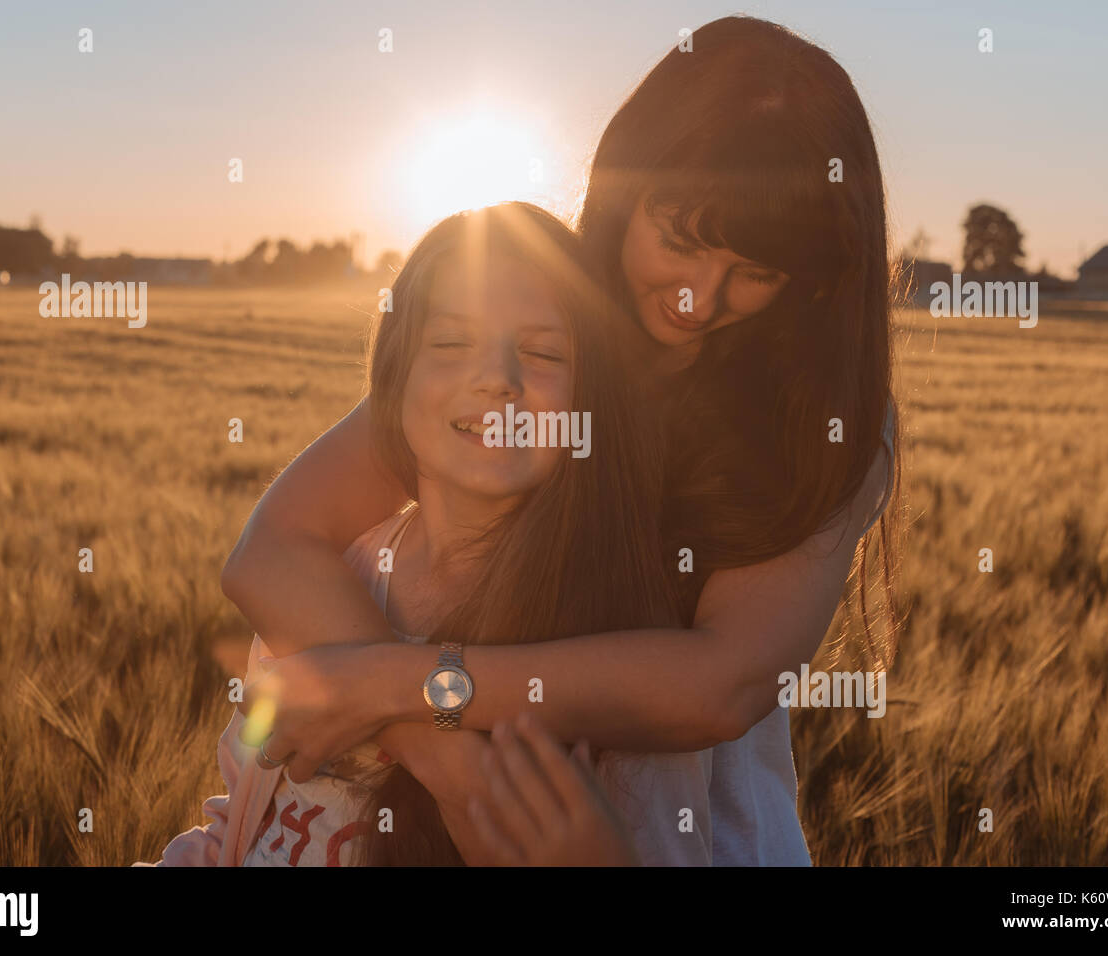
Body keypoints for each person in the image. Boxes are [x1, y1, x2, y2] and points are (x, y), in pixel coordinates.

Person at [223, 15, 901, 866]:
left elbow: (722, 684)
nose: (701, 297)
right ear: (627, 189)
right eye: (680, 239)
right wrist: (451, 765)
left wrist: (394, 683)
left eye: (756, 272)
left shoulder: (826, 417)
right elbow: (273, 547)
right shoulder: (537, 317)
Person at [145, 202, 711, 866]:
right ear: (395, 376)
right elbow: (240, 827)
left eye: (544, 351)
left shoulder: (610, 655)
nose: (497, 377)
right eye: (450, 343)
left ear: (589, 400)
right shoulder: (328, 581)